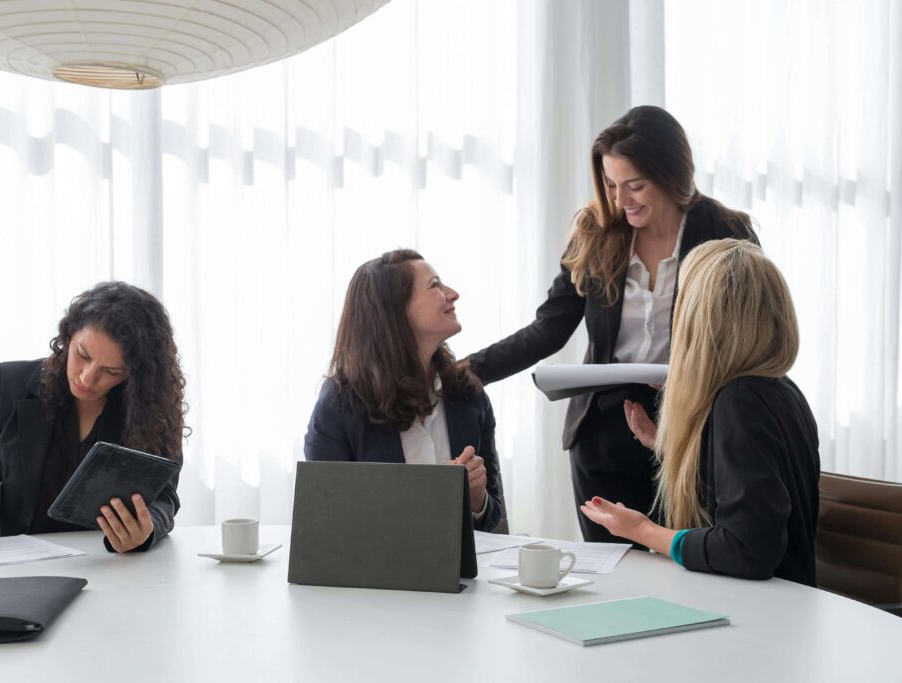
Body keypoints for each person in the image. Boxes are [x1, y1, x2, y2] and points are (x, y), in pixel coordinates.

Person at [465, 105, 757, 543]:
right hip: (602, 431)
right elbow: (548, 328)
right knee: (612, 571)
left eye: (635, 185)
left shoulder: (727, 233)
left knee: (688, 562)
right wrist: (470, 371)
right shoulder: (596, 233)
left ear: (672, 174)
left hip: (691, 426)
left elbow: (749, 337)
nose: (621, 200)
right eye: (611, 184)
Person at [580, 239, 820, 585]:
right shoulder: (780, 389)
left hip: (763, 616)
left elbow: (746, 549)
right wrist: (672, 446)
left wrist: (642, 530)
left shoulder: (741, 400)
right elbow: (755, 484)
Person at [0, 281, 188, 554]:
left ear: (134, 373)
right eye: (82, 355)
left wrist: (146, 531)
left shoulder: (152, 407)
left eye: (111, 371)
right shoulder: (7, 385)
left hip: (109, 563)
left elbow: (163, 495)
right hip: (14, 565)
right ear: (69, 335)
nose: (87, 378)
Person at [304, 249, 506, 532]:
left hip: (461, 576)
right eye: (435, 285)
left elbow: (492, 516)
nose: (453, 293)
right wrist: (427, 496)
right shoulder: (340, 404)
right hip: (375, 575)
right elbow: (326, 521)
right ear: (394, 310)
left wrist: (477, 499)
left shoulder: (469, 396)